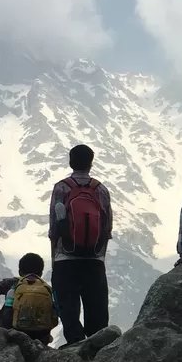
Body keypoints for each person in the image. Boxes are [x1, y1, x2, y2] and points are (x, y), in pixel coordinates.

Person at [48, 144, 113, 344]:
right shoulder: (101, 189)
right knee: (96, 308)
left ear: (70, 161)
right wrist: (100, 257)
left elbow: (54, 228)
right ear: (91, 164)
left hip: (65, 259)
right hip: (94, 260)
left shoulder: (61, 187)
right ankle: (97, 349)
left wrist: (55, 259)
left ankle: (74, 346)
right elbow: (107, 227)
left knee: (68, 308)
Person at [0, 252, 58, 345]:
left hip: (11, 333)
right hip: (40, 337)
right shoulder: (46, 287)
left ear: (20, 271)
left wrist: (0, 318)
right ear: (41, 273)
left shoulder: (12, 283)